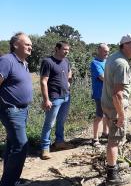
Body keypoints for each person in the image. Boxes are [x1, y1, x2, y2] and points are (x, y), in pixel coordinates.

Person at [101, 33, 131, 185]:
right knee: (114, 140)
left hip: (108, 104)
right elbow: (118, 95)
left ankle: (113, 165)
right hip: (115, 106)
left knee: (113, 138)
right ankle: (112, 175)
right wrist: (121, 115)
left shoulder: (113, 57)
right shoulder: (122, 63)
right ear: (125, 45)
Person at [0, 32, 33, 186]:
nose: (30, 46)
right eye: (27, 44)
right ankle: (9, 182)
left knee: (13, 145)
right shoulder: (7, 60)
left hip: (22, 110)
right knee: (21, 145)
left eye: (30, 44)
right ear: (15, 45)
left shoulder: (24, 63)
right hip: (11, 110)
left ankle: (10, 180)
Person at [40, 41, 73, 160]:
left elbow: (69, 72)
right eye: (64, 49)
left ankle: (59, 142)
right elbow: (43, 81)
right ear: (57, 48)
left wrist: (69, 82)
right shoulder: (48, 62)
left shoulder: (66, 61)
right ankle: (45, 148)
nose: (67, 52)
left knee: (61, 121)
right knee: (49, 123)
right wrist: (46, 99)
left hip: (66, 96)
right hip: (54, 97)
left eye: (68, 50)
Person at [90, 43, 110, 147]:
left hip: (107, 93)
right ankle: (95, 139)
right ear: (99, 51)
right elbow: (103, 77)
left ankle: (105, 133)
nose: (107, 53)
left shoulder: (106, 61)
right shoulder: (95, 63)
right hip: (99, 94)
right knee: (99, 116)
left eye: (108, 51)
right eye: (105, 51)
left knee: (107, 114)